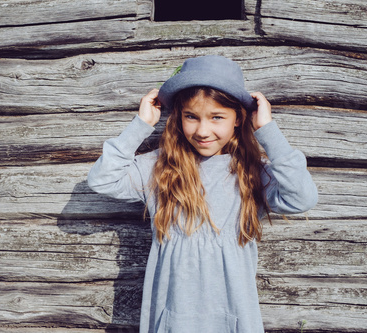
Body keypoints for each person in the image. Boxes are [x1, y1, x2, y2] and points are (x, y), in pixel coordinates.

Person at [87, 55, 318, 333]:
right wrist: (141, 124)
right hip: (171, 319)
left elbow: (302, 198)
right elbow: (102, 180)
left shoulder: (252, 173)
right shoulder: (158, 168)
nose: (202, 130)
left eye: (217, 117)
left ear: (238, 119)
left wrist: (267, 131)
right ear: (178, 116)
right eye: (191, 117)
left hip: (235, 318)